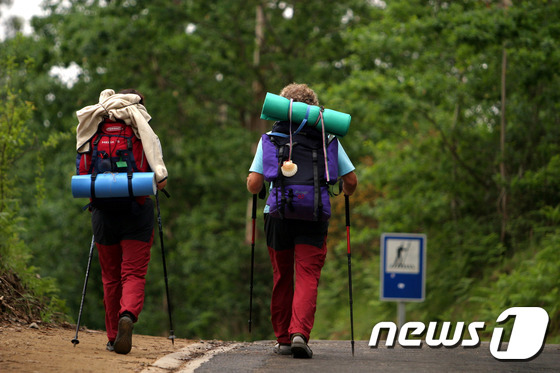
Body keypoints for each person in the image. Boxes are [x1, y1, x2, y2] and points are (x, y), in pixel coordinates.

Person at [246, 83, 357, 358]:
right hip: (314, 214)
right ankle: (299, 333)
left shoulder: (271, 138)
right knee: (307, 275)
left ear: (283, 109)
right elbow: (351, 181)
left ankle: (283, 338)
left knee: (282, 276)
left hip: (278, 215)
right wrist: (343, 191)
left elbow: (253, 183)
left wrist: (261, 188)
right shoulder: (327, 138)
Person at [75, 89, 168, 354]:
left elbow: (82, 172)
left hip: (103, 213)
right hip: (137, 211)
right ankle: (127, 314)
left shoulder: (95, 125)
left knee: (110, 277)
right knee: (133, 273)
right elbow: (160, 180)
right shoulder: (141, 131)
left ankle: (113, 335)